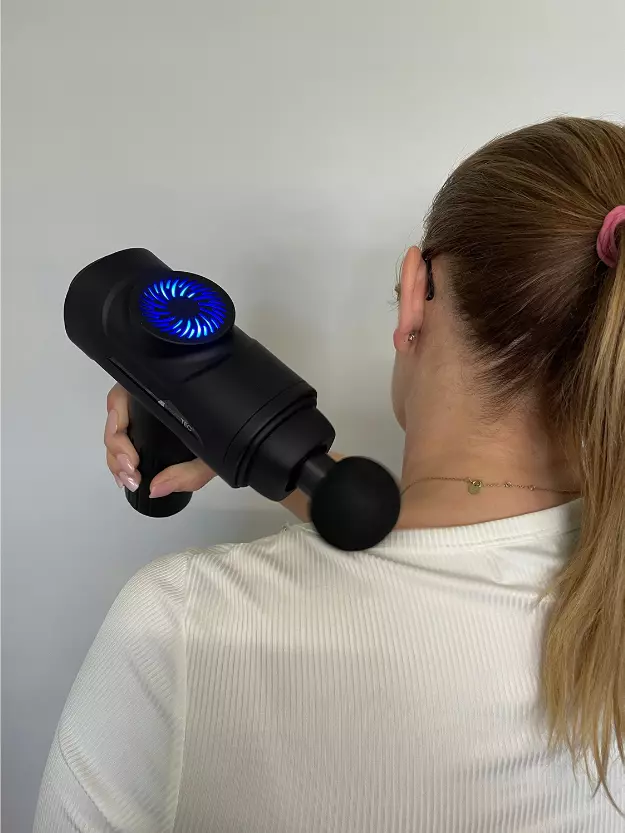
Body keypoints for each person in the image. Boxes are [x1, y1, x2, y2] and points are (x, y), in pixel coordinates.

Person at [35, 117, 625, 832]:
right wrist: (261, 447)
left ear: (414, 294)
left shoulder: (182, 626)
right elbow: (460, 567)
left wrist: (223, 411)